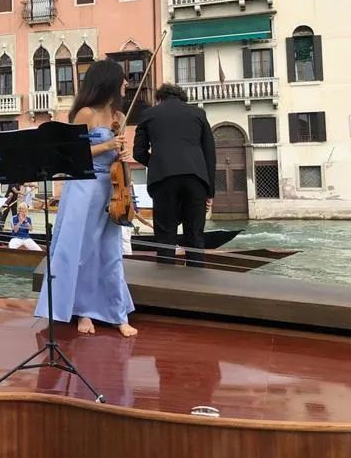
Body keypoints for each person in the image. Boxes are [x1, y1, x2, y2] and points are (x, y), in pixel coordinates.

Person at [34, 59, 137, 337]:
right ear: (109, 81)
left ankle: (117, 313)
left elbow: (117, 153)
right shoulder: (85, 113)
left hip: (111, 187)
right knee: (81, 250)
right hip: (83, 186)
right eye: (122, 78)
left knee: (110, 252)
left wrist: (123, 153)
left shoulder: (119, 116)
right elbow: (71, 155)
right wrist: (108, 145)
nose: (126, 83)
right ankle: (82, 311)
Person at [133, 83, 216, 267]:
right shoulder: (198, 114)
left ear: (159, 98)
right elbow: (209, 154)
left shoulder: (149, 114)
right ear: (182, 98)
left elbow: (138, 153)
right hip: (195, 178)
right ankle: (197, 277)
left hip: (163, 179)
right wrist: (210, 192)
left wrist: (158, 164)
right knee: (195, 235)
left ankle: (167, 279)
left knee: (165, 235)